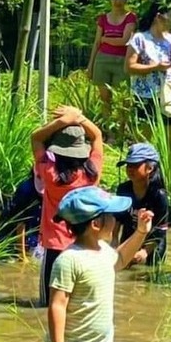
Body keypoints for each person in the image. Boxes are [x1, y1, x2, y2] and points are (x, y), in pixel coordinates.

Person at [38, 186, 153, 342]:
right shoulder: (69, 260)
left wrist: (141, 232)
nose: (114, 220)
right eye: (110, 216)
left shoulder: (103, 251)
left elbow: (120, 260)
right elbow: (57, 305)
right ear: (96, 224)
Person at [32, 106, 103, 307]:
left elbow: (36, 138)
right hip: (84, 246)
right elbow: (97, 136)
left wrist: (63, 121)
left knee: (47, 305)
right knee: (79, 304)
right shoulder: (92, 173)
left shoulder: (49, 172)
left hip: (55, 246)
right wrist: (79, 116)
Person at [126, 2, 171, 143]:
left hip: (168, 94)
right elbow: (128, 67)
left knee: (170, 139)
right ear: (159, 17)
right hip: (145, 95)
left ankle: (167, 165)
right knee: (143, 140)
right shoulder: (140, 38)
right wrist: (155, 67)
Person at [87, 0, 138, 140]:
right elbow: (97, 42)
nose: (118, 2)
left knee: (123, 100)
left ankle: (122, 133)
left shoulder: (131, 17)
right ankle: (108, 134)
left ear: (126, 0)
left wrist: (106, 39)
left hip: (122, 61)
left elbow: (124, 41)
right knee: (105, 99)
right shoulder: (103, 18)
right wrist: (90, 65)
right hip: (102, 60)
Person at [113, 143, 169, 266]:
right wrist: (114, 241)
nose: (130, 169)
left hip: (153, 246)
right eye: (128, 165)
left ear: (149, 168)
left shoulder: (159, 195)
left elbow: (161, 230)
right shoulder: (123, 190)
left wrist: (144, 252)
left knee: (149, 277)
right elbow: (117, 219)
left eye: (135, 165)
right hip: (128, 239)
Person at [0, 169, 43, 261]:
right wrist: (22, 256)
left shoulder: (53, 186)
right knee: (11, 260)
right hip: (10, 232)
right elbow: (20, 224)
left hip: (32, 229)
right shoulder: (25, 190)